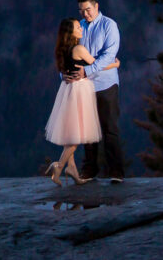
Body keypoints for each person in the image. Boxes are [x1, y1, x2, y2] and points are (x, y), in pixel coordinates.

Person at [43, 18, 118, 185]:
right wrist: (115, 65)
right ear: (71, 32)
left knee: (72, 133)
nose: (81, 30)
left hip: (69, 90)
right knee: (77, 138)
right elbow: (96, 64)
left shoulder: (64, 49)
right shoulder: (79, 48)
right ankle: (59, 166)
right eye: (78, 27)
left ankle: (72, 170)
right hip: (79, 91)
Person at [64, 0, 125, 183]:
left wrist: (88, 71)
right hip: (84, 86)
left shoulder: (109, 26)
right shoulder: (79, 27)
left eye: (88, 9)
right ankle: (89, 170)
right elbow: (68, 53)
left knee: (110, 129)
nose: (85, 14)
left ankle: (116, 172)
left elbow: (109, 54)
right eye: (81, 10)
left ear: (96, 6)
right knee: (88, 131)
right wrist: (64, 73)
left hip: (106, 84)